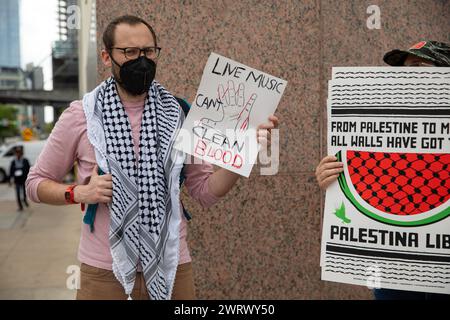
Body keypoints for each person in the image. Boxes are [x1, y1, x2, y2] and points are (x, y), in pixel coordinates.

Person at [26, 15, 278, 300]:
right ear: (107, 57)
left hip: (172, 266)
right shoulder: (82, 115)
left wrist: (243, 153)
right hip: (104, 272)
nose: (141, 60)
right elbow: (35, 184)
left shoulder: (180, 113)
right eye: (130, 52)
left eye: (148, 51)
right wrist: (80, 192)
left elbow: (205, 192)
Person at [315, 40, 450, 300]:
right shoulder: (375, 131)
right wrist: (333, 181)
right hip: (393, 274)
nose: (407, 77)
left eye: (419, 67)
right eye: (403, 70)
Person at [9, 146, 30, 211]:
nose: (18, 154)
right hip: (17, 180)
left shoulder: (25, 160)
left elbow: (28, 169)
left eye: (19, 153)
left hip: (23, 179)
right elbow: (11, 171)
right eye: (17, 153)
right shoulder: (13, 161)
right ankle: (20, 206)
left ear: (21, 153)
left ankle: (24, 200)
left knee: (24, 192)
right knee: (17, 193)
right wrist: (10, 180)